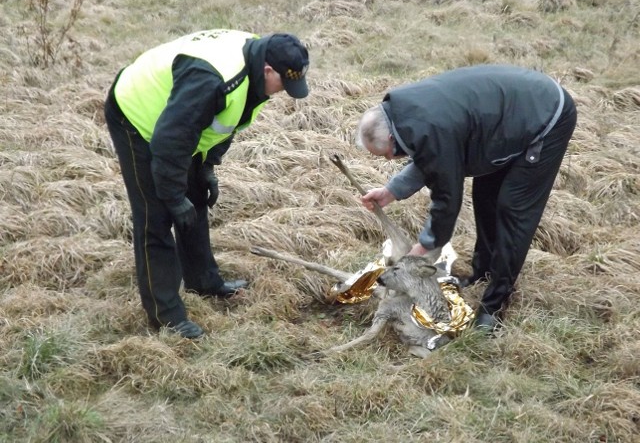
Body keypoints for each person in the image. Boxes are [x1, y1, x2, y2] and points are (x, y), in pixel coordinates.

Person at [104, 29, 310, 338]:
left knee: (196, 194)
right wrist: (173, 196)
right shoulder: (214, 79)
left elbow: (224, 121)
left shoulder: (258, 62)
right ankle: (167, 316)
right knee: (156, 215)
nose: (284, 92)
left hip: (179, 120)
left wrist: (207, 167)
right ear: (268, 69)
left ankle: (203, 280)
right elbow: (169, 142)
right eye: (285, 83)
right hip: (137, 117)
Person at [356, 64, 577, 332]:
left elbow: (446, 198)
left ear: (390, 136)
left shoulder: (430, 127)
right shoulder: (404, 114)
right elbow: (431, 156)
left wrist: (425, 248)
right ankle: (482, 274)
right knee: (485, 196)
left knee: (513, 209)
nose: (391, 159)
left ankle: (494, 306)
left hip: (545, 117)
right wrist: (391, 191)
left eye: (386, 154)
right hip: (502, 122)